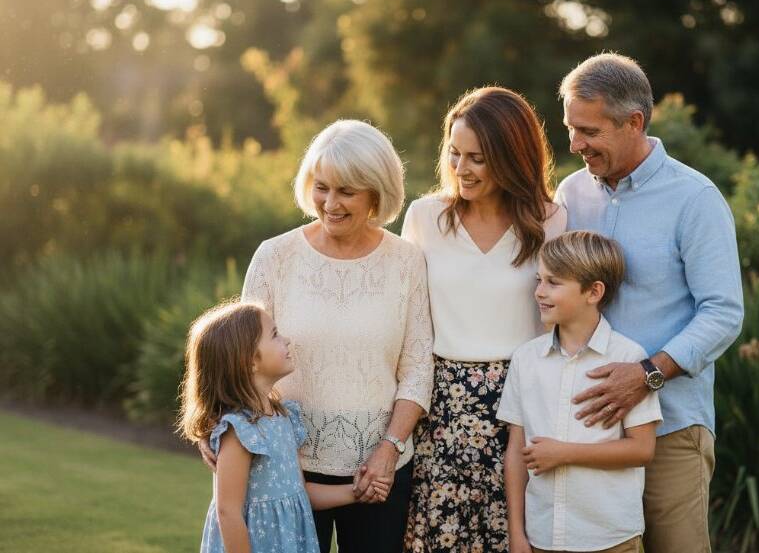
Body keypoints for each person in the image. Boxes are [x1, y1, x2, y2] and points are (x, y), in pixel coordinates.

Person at [199, 120, 435, 553]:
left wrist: (389, 449)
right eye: (322, 187)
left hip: (379, 471)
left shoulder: (406, 262)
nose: (330, 203)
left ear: (376, 194)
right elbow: (235, 352)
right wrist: (210, 428)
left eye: (347, 191)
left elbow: (418, 367)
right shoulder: (275, 256)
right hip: (286, 472)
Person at [555, 53, 744, 553]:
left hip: (671, 430)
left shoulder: (695, 199)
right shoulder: (571, 193)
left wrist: (647, 373)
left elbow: (723, 313)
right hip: (588, 431)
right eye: (571, 129)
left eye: (589, 131)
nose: (575, 145)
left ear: (633, 122)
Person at [401, 86, 567, 552]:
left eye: (476, 158)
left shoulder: (550, 221)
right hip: (443, 406)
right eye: (454, 153)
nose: (460, 169)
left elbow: (560, 320)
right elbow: (408, 322)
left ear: (512, 157)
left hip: (524, 403)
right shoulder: (425, 217)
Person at [179, 301, 392, 553]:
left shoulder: (283, 417)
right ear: (249, 362)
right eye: (275, 335)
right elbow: (227, 512)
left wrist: (356, 491)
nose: (287, 340)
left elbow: (299, 493)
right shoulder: (240, 431)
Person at [498, 231, 662, 553]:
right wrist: (517, 533)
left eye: (553, 283)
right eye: (539, 280)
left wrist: (564, 453)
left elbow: (642, 450)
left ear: (593, 291)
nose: (539, 293)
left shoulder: (628, 359)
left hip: (611, 539)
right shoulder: (526, 359)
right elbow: (516, 452)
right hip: (541, 537)